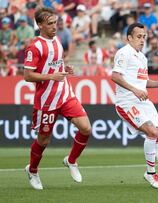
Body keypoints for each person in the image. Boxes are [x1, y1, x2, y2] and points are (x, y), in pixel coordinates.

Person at [23, 7, 92, 190]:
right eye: (50, 24)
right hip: (46, 100)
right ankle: (33, 170)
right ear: (40, 25)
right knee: (44, 140)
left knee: (86, 128)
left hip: (65, 93)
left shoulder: (58, 41)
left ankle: (71, 160)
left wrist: (65, 69)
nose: (55, 26)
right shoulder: (35, 47)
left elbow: (56, 64)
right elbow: (27, 76)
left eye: (55, 22)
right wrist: (51, 77)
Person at [111, 23, 158, 190]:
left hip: (143, 101)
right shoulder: (124, 53)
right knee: (152, 132)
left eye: (144, 37)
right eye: (139, 37)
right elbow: (115, 76)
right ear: (129, 38)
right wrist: (134, 90)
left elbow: (144, 81)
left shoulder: (142, 57)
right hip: (126, 102)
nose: (142, 40)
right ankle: (150, 173)